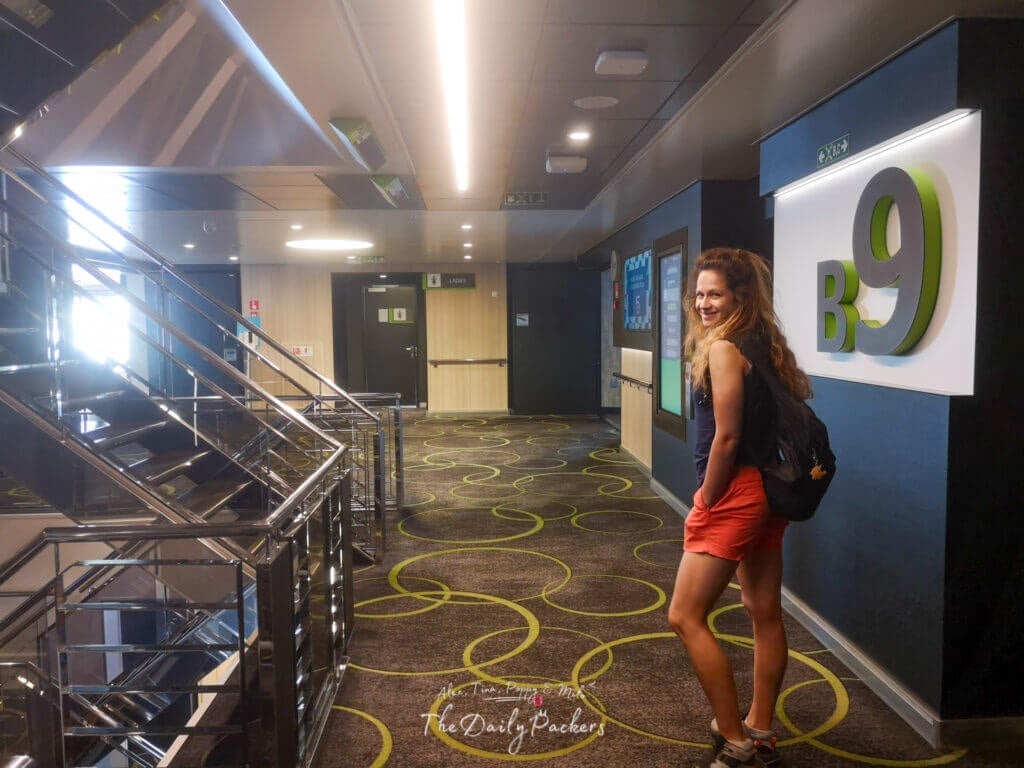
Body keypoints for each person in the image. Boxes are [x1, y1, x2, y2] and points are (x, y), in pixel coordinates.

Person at [667, 247, 812, 768]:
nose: (703, 303)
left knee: (684, 615)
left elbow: (726, 438)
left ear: (739, 297)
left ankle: (735, 740)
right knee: (763, 611)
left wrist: (706, 499)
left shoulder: (726, 349)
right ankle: (761, 727)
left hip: (735, 493)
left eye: (715, 294)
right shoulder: (763, 342)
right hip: (766, 494)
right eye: (699, 293)